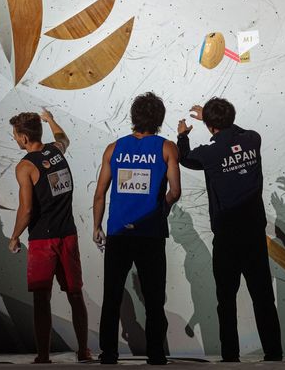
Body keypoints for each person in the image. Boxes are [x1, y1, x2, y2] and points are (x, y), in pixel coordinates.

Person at [176, 97, 283, 362]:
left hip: (226, 238)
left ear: (210, 126)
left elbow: (185, 158)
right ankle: (274, 353)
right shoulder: (253, 139)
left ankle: (230, 356)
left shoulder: (209, 153)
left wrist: (183, 136)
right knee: (263, 298)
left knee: (226, 299)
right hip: (254, 236)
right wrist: (215, 120)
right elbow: (237, 134)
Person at [93, 92, 181, 365]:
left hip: (119, 232)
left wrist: (96, 226)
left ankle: (108, 354)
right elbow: (175, 192)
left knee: (112, 295)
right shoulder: (167, 148)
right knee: (154, 297)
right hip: (151, 234)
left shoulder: (113, 148)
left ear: (133, 118)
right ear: (159, 119)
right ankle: (156, 354)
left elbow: (99, 193)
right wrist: (160, 209)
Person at [8, 109, 91, 363]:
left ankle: (43, 355)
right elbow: (63, 137)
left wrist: (14, 236)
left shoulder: (25, 166)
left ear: (23, 138)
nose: (15, 139)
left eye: (15, 135)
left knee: (42, 298)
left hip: (43, 239)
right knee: (75, 294)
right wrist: (51, 119)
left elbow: (27, 209)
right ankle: (84, 351)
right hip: (68, 235)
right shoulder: (56, 151)